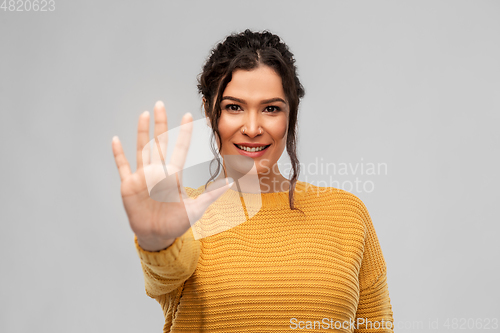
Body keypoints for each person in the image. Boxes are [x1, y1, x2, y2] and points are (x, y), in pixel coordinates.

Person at [111, 29, 394, 332]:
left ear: (291, 114)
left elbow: (376, 326)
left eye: (271, 109)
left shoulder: (347, 214)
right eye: (234, 107)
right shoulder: (181, 213)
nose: (252, 127)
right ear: (209, 111)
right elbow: (166, 272)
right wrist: (159, 240)